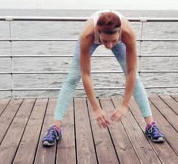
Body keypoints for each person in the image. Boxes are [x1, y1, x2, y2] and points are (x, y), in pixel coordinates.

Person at [42, 10, 164, 146]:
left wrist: (124, 104)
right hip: (93, 38)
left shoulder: (128, 35)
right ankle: (55, 128)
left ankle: (151, 126)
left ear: (119, 33)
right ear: (98, 33)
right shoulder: (87, 36)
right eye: (105, 41)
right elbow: (86, 73)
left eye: (113, 41)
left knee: (135, 78)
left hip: (119, 38)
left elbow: (131, 72)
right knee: (72, 78)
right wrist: (96, 108)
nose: (109, 46)